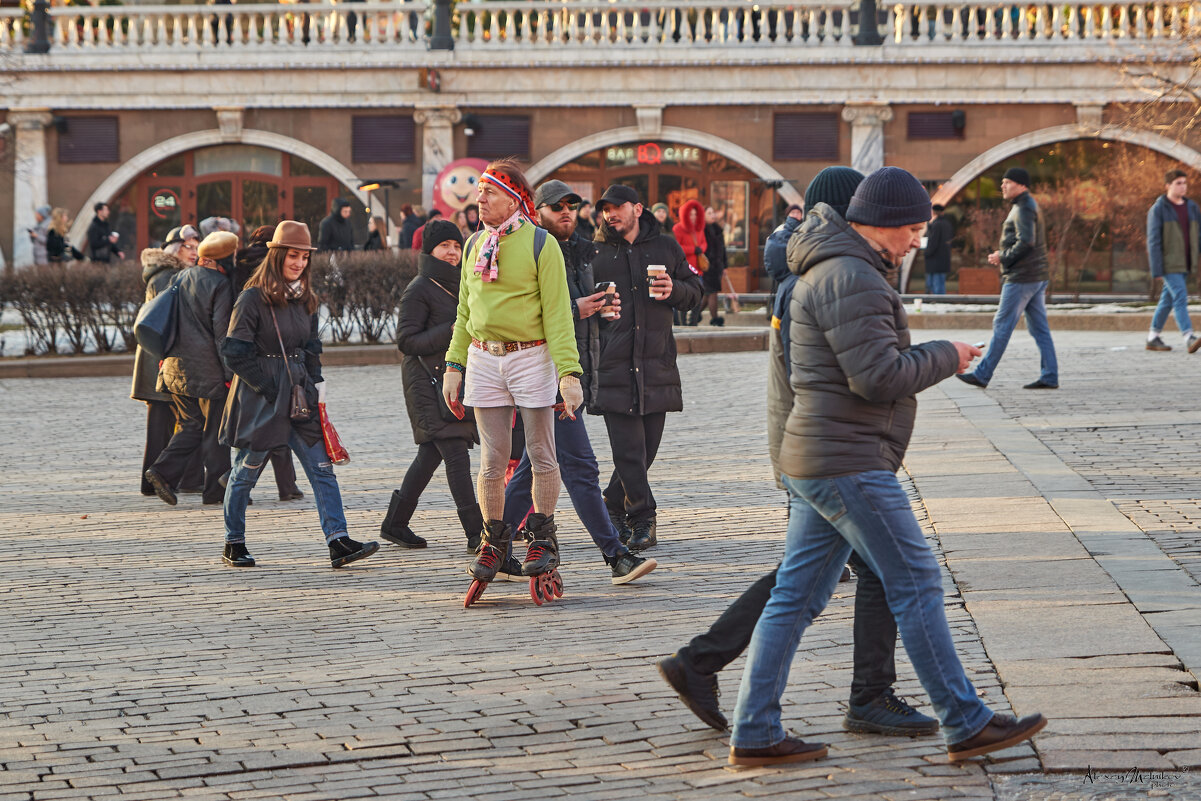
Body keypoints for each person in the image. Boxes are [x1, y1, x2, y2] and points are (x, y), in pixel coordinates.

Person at [726, 166, 1046, 767]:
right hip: (847, 460)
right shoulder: (854, 276)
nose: (919, 242)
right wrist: (946, 355)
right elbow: (877, 377)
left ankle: (755, 731)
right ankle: (965, 720)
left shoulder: (834, 265)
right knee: (916, 581)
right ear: (888, 224)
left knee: (794, 596)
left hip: (819, 454)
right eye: (916, 230)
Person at [660, 166, 938, 738]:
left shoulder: (813, 268)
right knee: (862, 574)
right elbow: (828, 379)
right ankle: (867, 696)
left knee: (808, 576)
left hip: (817, 450)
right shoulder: (823, 276)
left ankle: (709, 667)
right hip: (824, 454)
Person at [502, 180, 657, 585]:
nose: (566, 212)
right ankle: (615, 554)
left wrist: (600, 311)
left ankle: (495, 547)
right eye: (557, 207)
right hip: (543, 375)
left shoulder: (583, 252)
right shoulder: (530, 250)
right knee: (581, 466)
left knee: (531, 470)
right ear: (537, 212)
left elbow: (572, 319)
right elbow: (521, 312)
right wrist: (576, 308)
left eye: (571, 205)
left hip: (575, 374)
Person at [442, 159, 583, 595]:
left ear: (514, 198)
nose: (479, 199)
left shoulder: (542, 245)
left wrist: (569, 373)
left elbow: (559, 315)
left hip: (530, 355)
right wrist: (453, 365)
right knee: (491, 460)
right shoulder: (472, 245)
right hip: (484, 357)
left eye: (489, 193)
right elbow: (464, 311)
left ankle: (542, 537)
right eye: (480, 192)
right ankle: (493, 541)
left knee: (541, 452)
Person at [219, 221, 380, 569]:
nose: (299, 263)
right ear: (277, 255)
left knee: (322, 468)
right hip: (263, 396)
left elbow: (311, 347)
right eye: (293, 256)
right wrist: (266, 386)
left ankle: (338, 541)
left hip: (298, 395)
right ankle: (234, 542)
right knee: (245, 473)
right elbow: (234, 352)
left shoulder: (306, 298)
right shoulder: (251, 298)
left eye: (304, 257)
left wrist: (316, 385)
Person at [591, 184, 703, 551]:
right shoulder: (594, 252)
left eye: (618, 207)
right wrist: (592, 308)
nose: (611, 214)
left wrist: (674, 289)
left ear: (637, 208)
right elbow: (571, 304)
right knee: (628, 452)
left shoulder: (666, 247)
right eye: (605, 209)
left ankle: (610, 502)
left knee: (645, 452)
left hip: (656, 366)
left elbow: (696, 290)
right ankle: (643, 518)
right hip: (612, 367)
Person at [386, 219, 497, 559]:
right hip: (425, 380)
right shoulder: (419, 287)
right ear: (429, 250)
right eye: (444, 246)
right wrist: (450, 330)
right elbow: (406, 340)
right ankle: (475, 533)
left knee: (432, 453)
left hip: (451, 377)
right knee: (454, 451)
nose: (451, 252)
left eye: (455, 245)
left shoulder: (462, 281)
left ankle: (395, 523)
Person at [143, 231, 237, 507]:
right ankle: (216, 491)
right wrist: (230, 374)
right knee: (215, 431)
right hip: (208, 371)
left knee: (189, 425)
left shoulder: (180, 276)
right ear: (225, 259)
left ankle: (161, 471)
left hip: (174, 366)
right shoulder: (220, 284)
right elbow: (222, 335)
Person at [957, 167, 1058, 390]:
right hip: (1035, 276)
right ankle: (1050, 375)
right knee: (1039, 328)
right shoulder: (1026, 205)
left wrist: (1001, 257)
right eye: (1002, 182)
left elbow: (1026, 242)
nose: (1002, 186)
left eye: (1007, 182)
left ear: (1021, 184)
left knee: (1002, 325)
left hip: (1022, 277)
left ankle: (982, 375)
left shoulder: (1023, 208)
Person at [234, 225, 304, 502]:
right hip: (270, 358)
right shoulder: (268, 272)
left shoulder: (238, 263)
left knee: (270, 427)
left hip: (250, 353)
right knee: (267, 430)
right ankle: (239, 481)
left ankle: (285, 484)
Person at [132, 225, 201, 497]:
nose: (194, 252)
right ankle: (167, 479)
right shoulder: (169, 276)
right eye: (189, 247)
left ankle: (168, 479)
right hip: (161, 360)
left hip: (161, 358)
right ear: (175, 249)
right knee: (177, 422)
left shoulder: (169, 274)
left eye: (197, 247)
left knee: (176, 422)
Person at [1146, 169, 1201, 352]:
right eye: (1178, 183)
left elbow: (1198, 235)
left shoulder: (1191, 207)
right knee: (1180, 296)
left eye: (1184, 182)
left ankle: (1153, 337)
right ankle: (1188, 336)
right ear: (1167, 186)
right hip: (1169, 263)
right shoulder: (1159, 209)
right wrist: (1157, 269)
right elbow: (1153, 241)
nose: (1183, 186)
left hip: (1185, 262)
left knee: (1167, 300)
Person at [689, 206, 728, 326]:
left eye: (713, 212)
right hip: (707, 267)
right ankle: (715, 318)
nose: (713, 215)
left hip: (717, 267)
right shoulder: (702, 230)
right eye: (709, 213)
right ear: (703, 215)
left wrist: (724, 266)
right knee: (712, 293)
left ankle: (694, 317)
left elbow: (722, 249)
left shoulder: (717, 229)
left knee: (708, 293)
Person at [924, 204, 953, 295]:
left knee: (934, 285)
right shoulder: (947, 224)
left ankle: (937, 303)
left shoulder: (936, 225)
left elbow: (933, 241)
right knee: (940, 284)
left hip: (934, 260)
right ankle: (940, 302)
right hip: (943, 259)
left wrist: (926, 253)